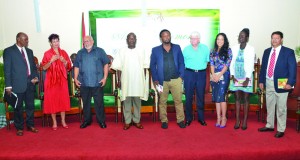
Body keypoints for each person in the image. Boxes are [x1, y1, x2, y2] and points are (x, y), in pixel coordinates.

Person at [258, 31, 297, 138]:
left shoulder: (288, 52)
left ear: (281, 40)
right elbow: (263, 68)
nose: (274, 40)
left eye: (277, 38)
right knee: (269, 106)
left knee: (281, 108)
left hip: (282, 83)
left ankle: (281, 129)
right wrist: (261, 81)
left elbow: (293, 69)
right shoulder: (266, 52)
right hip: (268, 81)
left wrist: (290, 83)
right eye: (273, 38)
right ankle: (269, 125)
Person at [3, 32, 39, 136]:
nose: (27, 41)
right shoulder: (9, 51)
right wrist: (8, 86)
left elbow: (33, 67)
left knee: (30, 106)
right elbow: (7, 70)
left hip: (30, 83)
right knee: (18, 107)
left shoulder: (29, 51)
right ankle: (19, 127)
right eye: (25, 39)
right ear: (18, 39)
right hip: (17, 84)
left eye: (27, 39)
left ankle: (30, 125)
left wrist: (35, 77)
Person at [111, 32, 149, 130]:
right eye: (129, 38)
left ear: (136, 40)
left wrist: (144, 80)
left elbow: (145, 66)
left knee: (137, 102)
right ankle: (127, 121)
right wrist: (119, 81)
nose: (131, 40)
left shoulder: (141, 50)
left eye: (133, 38)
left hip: (138, 81)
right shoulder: (122, 51)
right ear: (127, 40)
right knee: (126, 102)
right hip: (126, 80)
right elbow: (118, 67)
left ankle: (136, 121)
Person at [150, 29, 185, 129]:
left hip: (176, 79)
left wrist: (181, 76)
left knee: (178, 101)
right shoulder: (155, 50)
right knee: (162, 102)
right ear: (161, 38)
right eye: (164, 36)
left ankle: (180, 120)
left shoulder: (177, 48)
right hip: (162, 81)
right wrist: (155, 79)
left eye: (168, 35)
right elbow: (152, 66)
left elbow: (182, 62)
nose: (166, 37)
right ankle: (164, 120)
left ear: (170, 36)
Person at [74, 36, 110, 129]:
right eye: (85, 41)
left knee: (99, 103)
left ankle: (101, 121)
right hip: (84, 82)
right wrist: (75, 78)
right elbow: (76, 66)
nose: (87, 42)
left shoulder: (100, 51)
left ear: (93, 41)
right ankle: (87, 121)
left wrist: (105, 78)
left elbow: (106, 64)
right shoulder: (80, 53)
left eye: (88, 40)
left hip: (97, 82)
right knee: (86, 103)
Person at [41, 34, 72, 130]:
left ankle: (63, 121)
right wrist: (51, 61)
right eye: (54, 41)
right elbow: (43, 67)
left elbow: (69, 67)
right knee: (52, 101)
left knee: (62, 100)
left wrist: (64, 62)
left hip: (62, 80)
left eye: (57, 41)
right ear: (50, 43)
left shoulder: (63, 52)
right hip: (51, 81)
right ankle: (54, 122)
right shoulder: (47, 53)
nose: (56, 43)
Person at [229, 28, 255, 130]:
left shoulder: (251, 49)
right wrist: (232, 75)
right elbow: (231, 62)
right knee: (237, 98)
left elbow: (251, 64)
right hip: (236, 76)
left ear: (247, 38)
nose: (240, 37)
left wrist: (247, 78)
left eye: (243, 36)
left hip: (246, 77)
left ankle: (244, 121)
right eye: (239, 35)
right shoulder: (234, 48)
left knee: (246, 98)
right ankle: (237, 120)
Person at [182, 31, 210, 127]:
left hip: (201, 74)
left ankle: (201, 119)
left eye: (194, 38)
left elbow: (207, 62)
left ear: (199, 39)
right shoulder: (185, 49)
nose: (193, 40)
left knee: (200, 97)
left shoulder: (205, 48)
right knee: (188, 97)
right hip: (189, 73)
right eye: (191, 38)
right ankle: (188, 118)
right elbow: (182, 63)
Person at [210, 33, 232, 128]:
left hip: (224, 75)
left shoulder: (228, 51)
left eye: (222, 39)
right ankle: (218, 118)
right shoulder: (212, 51)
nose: (220, 41)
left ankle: (224, 118)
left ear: (225, 41)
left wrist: (219, 75)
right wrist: (214, 74)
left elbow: (227, 65)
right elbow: (211, 64)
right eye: (218, 39)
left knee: (222, 96)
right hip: (214, 75)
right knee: (216, 97)